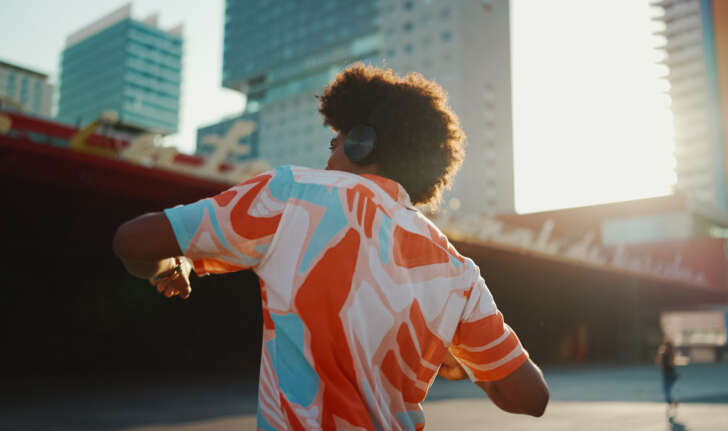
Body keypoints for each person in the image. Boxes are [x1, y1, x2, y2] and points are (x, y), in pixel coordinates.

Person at [113, 64, 549, 430]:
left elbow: (131, 241)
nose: (329, 156)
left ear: (363, 142)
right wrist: (460, 360)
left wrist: (173, 266)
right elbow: (530, 397)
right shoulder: (456, 271)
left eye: (334, 142)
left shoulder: (293, 194)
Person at [656, 339, 679, 411]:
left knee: (666, 391)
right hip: (670, 375)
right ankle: (672, 403)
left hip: (668, 375)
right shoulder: (670, 354)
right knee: (667, 391)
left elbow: (659, 362)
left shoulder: (665, 354)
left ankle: (671, 403)